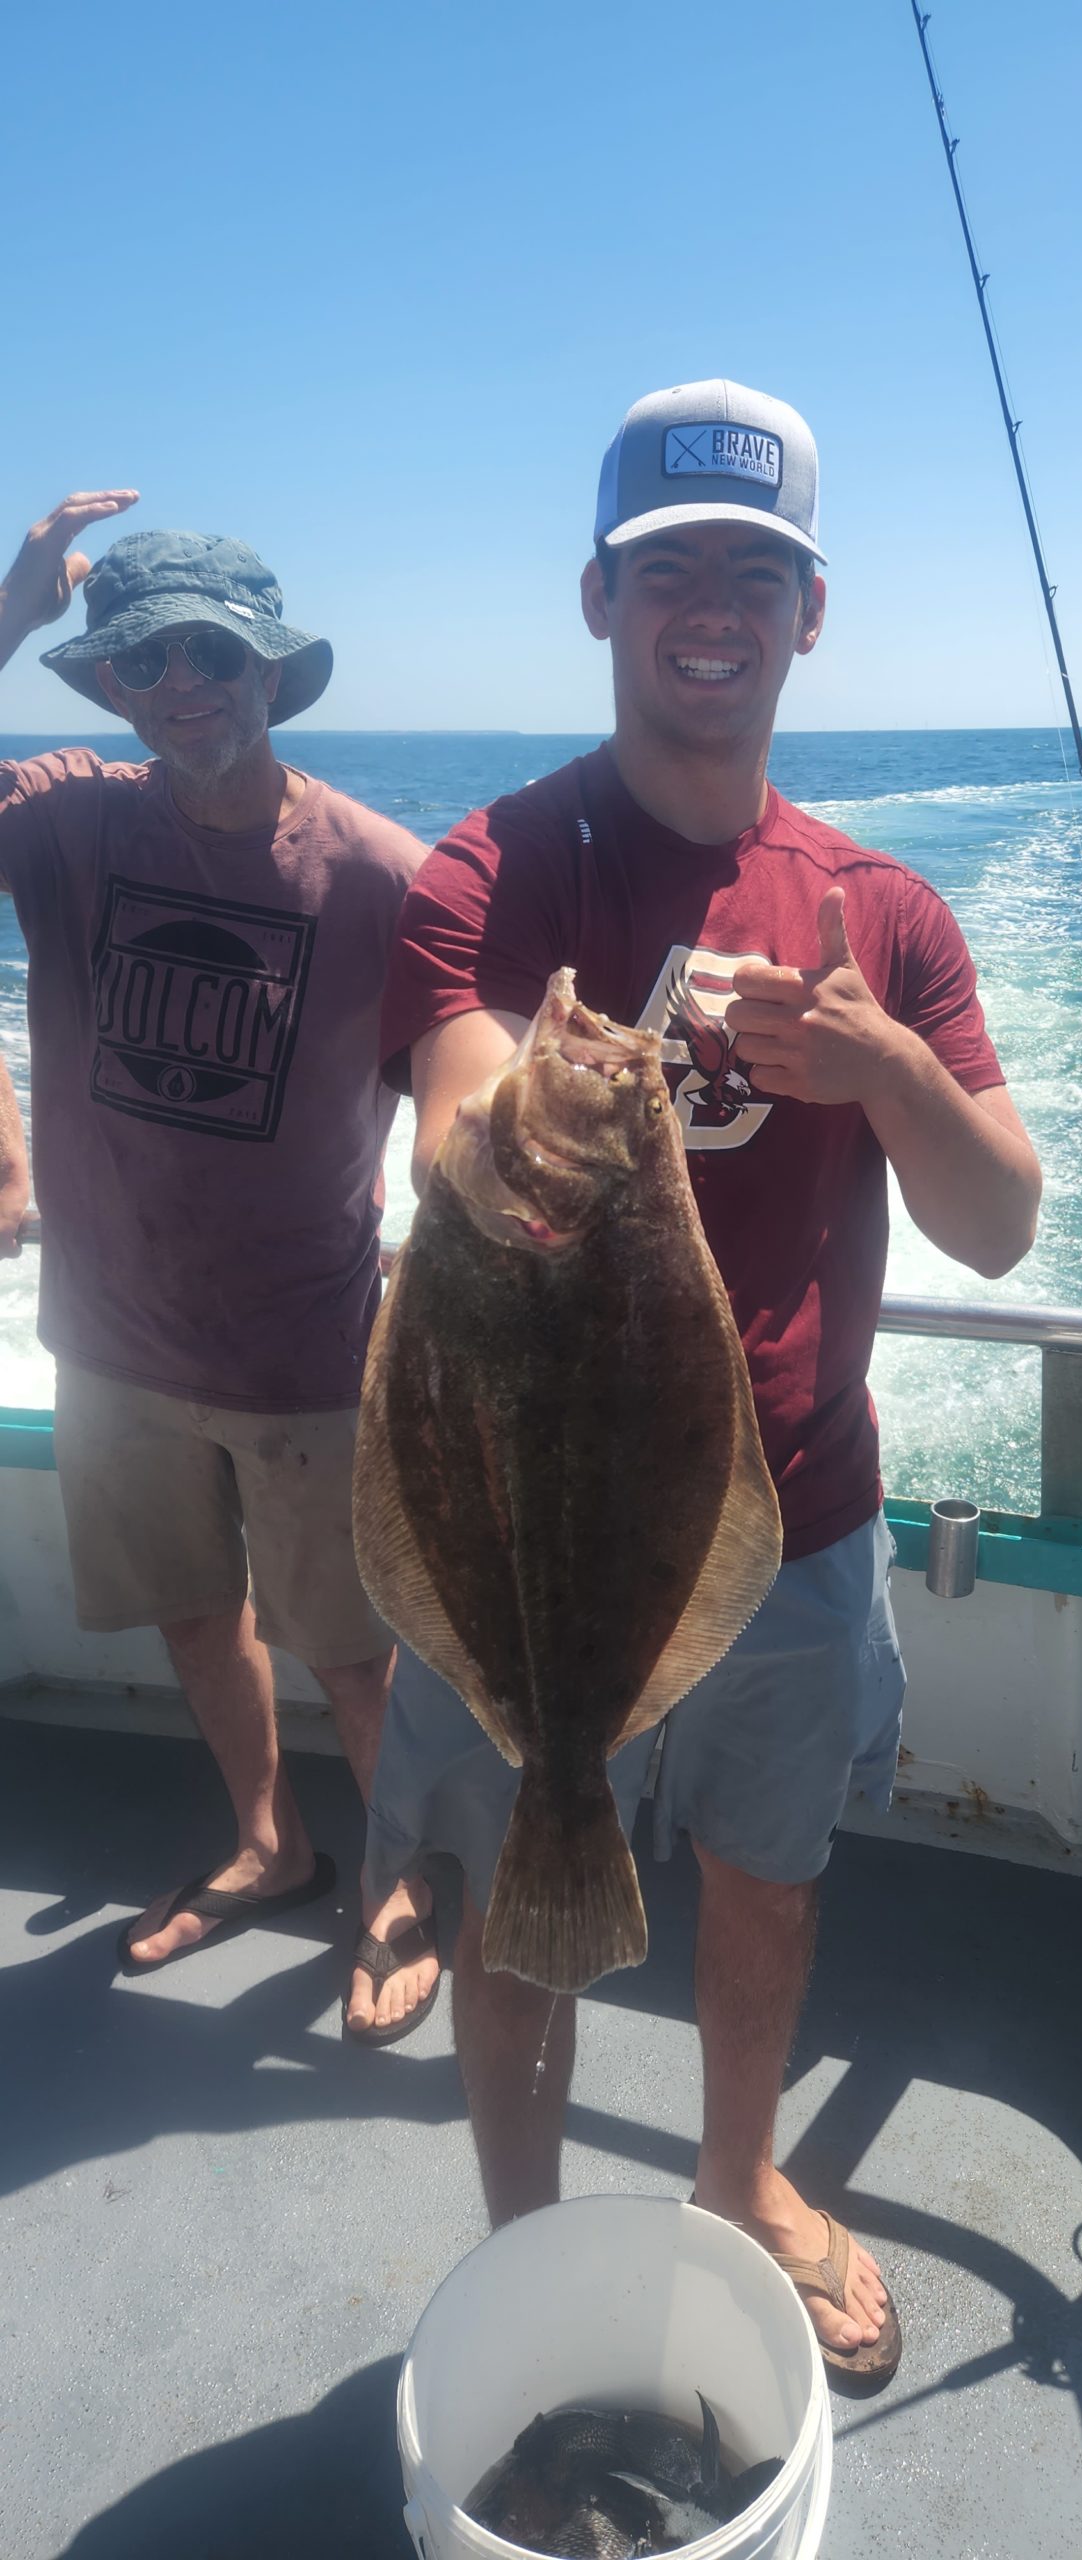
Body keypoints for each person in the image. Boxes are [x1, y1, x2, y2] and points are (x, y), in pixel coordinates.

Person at [364, 381, 1043, 2375]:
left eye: (757, 573)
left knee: (766, 1880)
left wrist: (883, 1070)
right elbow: (455, 1115)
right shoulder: (494, 868)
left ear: (808, 618)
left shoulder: (880, 910)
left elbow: (997, 1222)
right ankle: (522, 2232)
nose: (713, 608)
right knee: (506, 1894)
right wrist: (542, 1090)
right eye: (672, 572)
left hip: (793, 1530)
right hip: (513, 1519)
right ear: (600, 598)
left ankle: (741, 2170)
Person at [0, 493, 440, 2042]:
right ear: (109, 692)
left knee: (354, 1655)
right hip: (112, 1339)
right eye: (139, 665)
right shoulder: (62, 820)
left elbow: (473, 1092)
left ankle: (400, 1887)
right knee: (197, 1619)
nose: (178, 685)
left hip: (305, 1347)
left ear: (269, 668)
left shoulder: (383, 876)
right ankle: (271, 1843)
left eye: (209, 653)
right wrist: (8, 609)